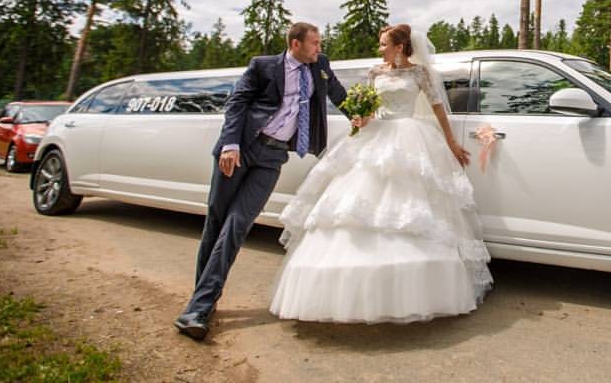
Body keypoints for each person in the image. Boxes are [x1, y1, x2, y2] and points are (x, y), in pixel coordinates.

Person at [270, 24, 492, 323]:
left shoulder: (419, 73)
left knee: (410, 203)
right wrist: (361, 118)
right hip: (374, 135)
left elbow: (438, 108)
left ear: (400, 46)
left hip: (409, 137)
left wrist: (451, 142)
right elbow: (370, 109)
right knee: (354, 201)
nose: (380, 48)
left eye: (384, 43)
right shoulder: (375, 72)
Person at [174, 21, 347, 340]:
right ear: (295, 44)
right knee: (217, 221)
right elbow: (237, 103)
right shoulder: (263, 66)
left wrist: (365, 115)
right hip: (241, 149)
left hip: (273, 157)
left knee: (237, 225)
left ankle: (198, 308)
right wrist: (230, 144)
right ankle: (203, 300)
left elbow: (339, 95)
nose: (319, 48)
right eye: (314, 43)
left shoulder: (320, 65)